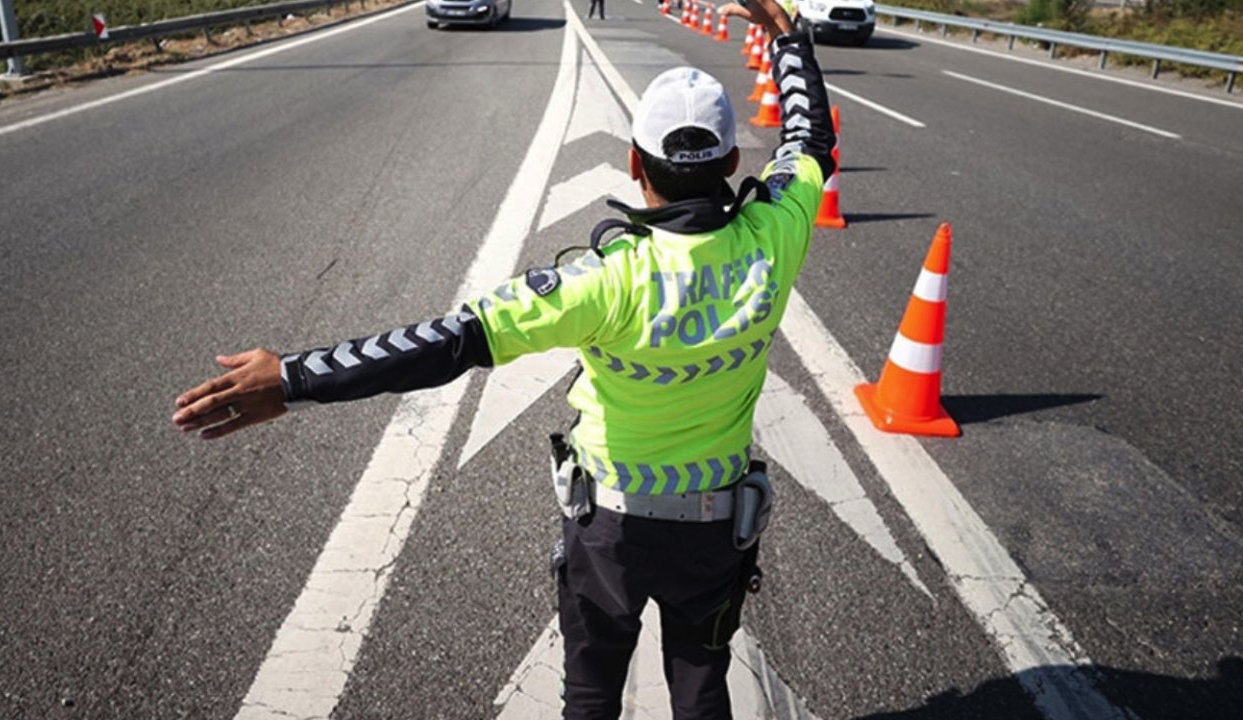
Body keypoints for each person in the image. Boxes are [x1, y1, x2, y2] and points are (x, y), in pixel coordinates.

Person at [171, 0, 835, 716]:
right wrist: (786, 35)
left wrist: (294, 379)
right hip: (715, 527)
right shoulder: (776, 235)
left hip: (609, 530)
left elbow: (444, 343)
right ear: (734, 161)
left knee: (590, 695)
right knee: (703, 685)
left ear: (634, 163)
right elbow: (809, 140)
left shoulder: (603, 282)